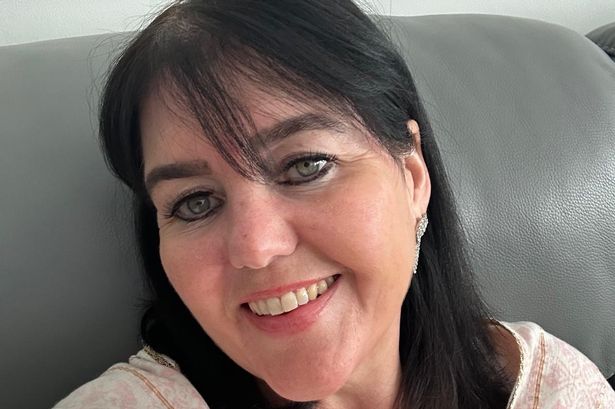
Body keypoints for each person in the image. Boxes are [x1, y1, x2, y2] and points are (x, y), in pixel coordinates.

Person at [55, 1, 615, 408]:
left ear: (412, 176)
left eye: (306, 166)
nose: (256, 248)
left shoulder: (552, 389)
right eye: (195, 203)